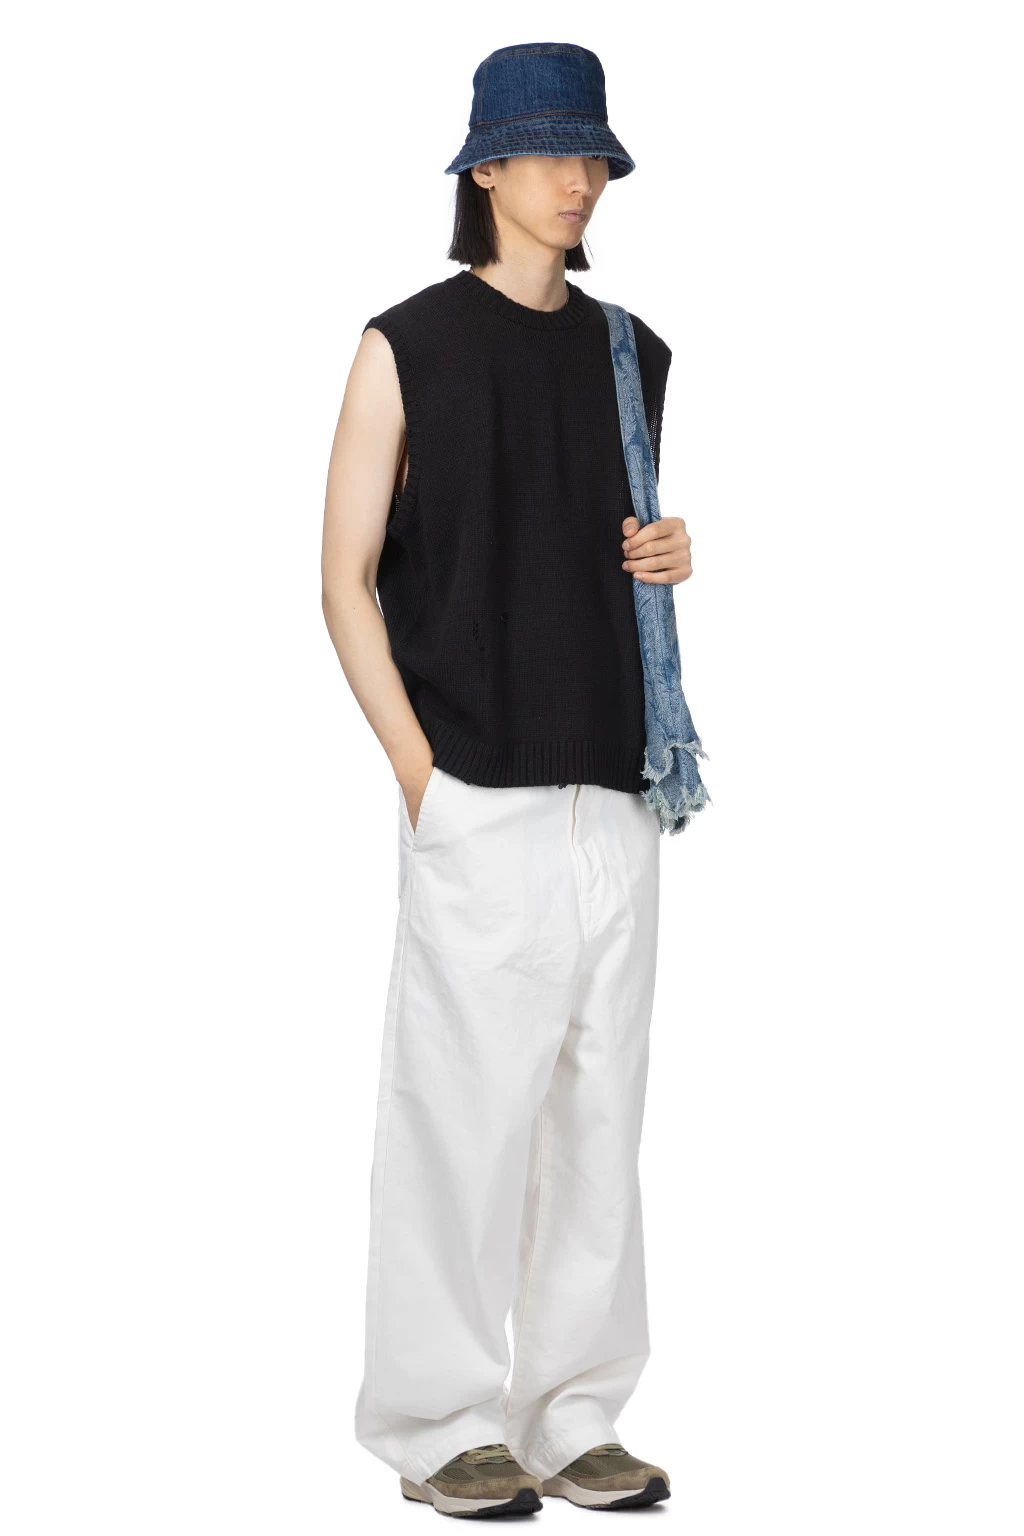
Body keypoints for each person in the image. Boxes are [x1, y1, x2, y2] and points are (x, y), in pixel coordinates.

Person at [321, 41, 694, 1518]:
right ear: (483, 167)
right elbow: (344, 579)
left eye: (594, 154)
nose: (578, 178)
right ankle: (436, 1424)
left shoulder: (633, 352)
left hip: (619, 775)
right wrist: (420, 771)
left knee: (599, 1118)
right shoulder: (405, 342)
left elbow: (596, 545)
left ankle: (574, 1414)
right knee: (459, 1115)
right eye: (549, 151)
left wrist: (666, 552)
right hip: (476, 778)